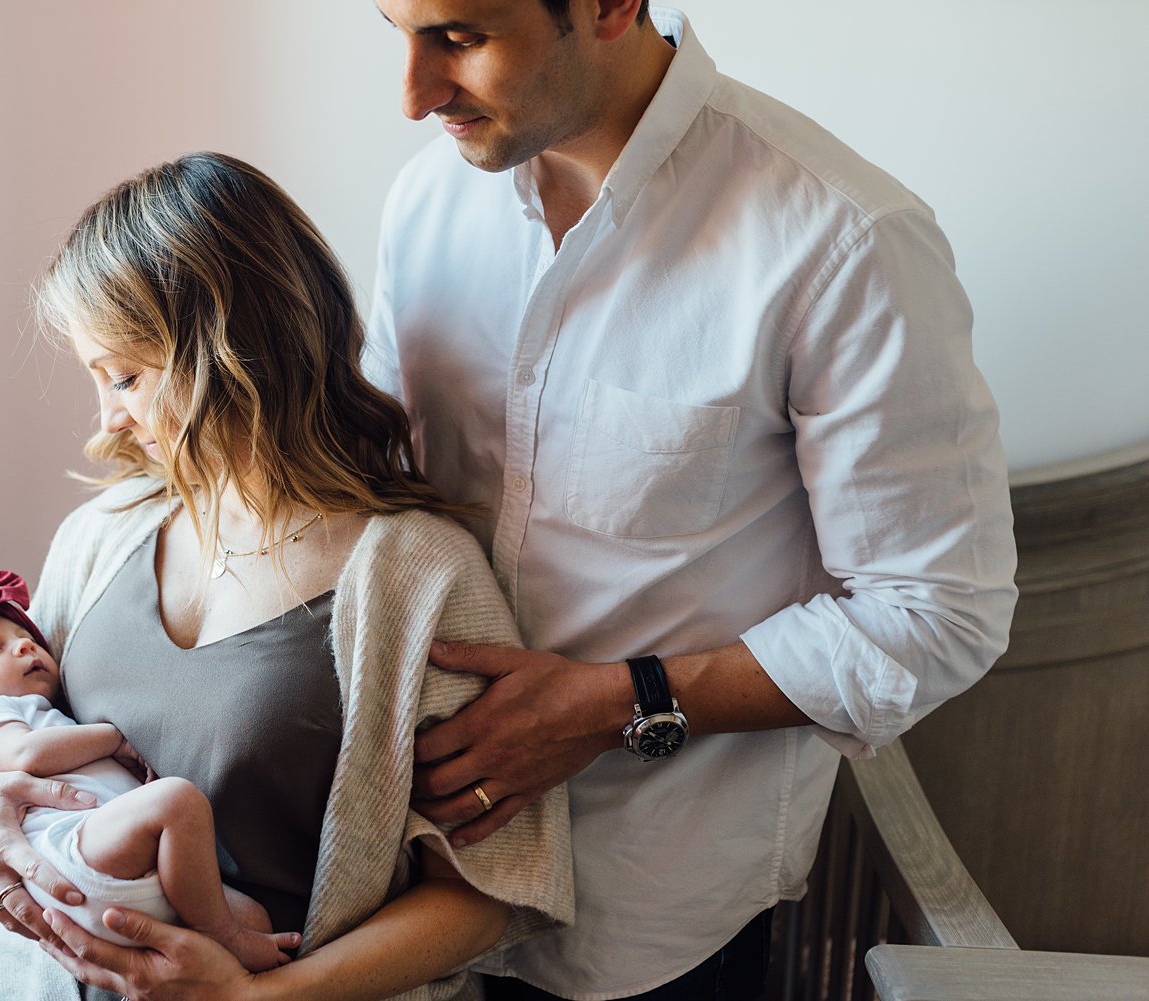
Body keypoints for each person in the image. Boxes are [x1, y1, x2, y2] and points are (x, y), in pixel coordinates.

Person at [365, 2, 1018, 999]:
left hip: (648, 918)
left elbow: (939, 614)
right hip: (408, 888)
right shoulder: (425, 204)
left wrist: (621, 701)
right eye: (395, 31)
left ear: (610, 6)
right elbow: (377, 485)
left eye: (458, 37)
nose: (411, 93)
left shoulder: (843, 241)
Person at [0, 151, 574, 1001]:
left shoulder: (418, 576)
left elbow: (486, 888)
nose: (108, 419)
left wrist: (251, 997)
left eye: (124, 376)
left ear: (228, 348)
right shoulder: (100, 536)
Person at [0, 567, 302, 970]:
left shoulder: (34, 709)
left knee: (256, 920)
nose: (24, 646)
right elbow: (24, 754)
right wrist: (114, 738)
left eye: (24, 637)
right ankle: (223, 934)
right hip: (71, 856)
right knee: (177, 802)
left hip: (113, 870)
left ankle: (231, 944)